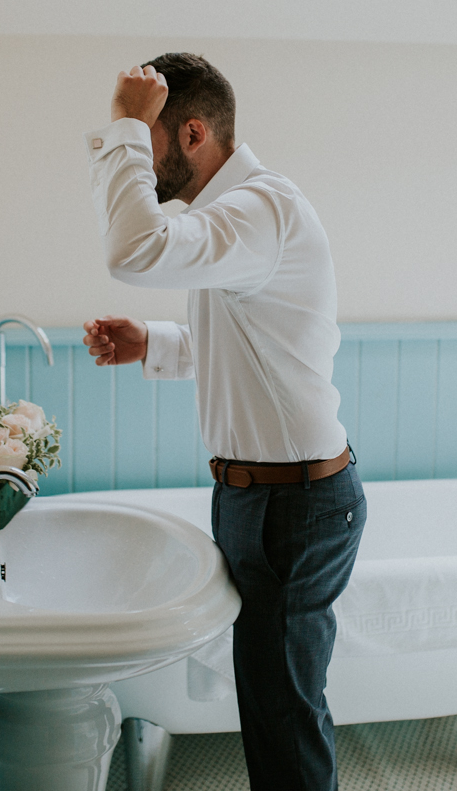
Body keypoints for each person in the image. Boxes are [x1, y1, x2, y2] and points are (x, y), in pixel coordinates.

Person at [82, 53, 365, 790]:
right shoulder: (232, 222)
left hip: (293, 505)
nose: (142, 158)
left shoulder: (260, 210)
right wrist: (155, 344)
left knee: (283, 717)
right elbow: (252, 349)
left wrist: (122, 124)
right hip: (268, 498)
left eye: (150, 140)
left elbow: (132, 250)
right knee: (277, 710)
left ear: (193, 133)